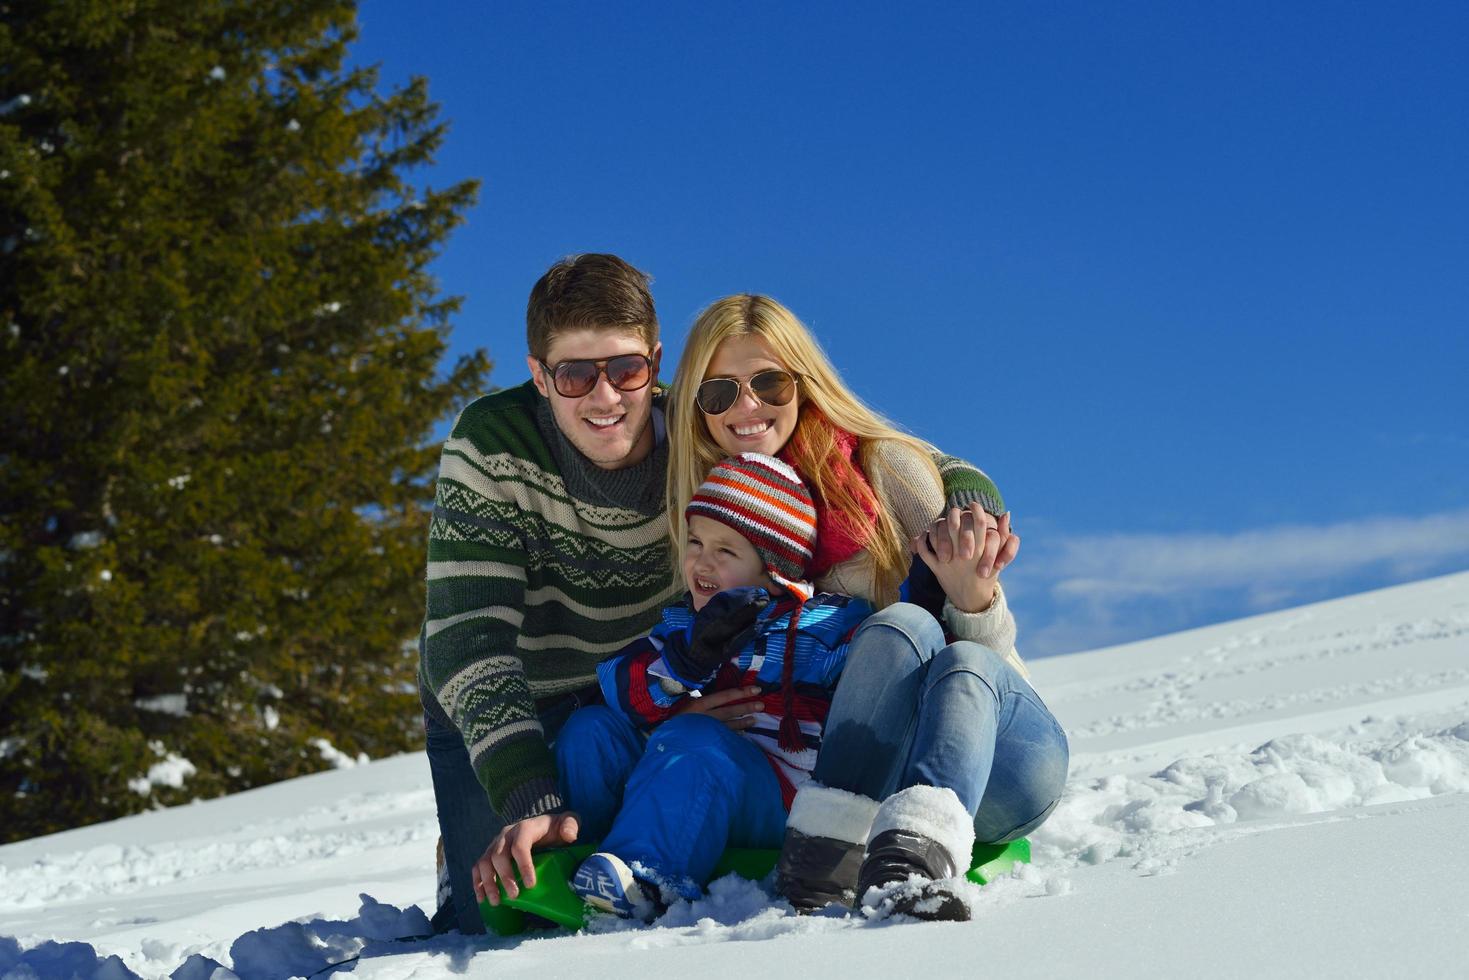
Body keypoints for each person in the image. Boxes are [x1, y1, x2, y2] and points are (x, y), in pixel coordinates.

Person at [665, 294, 1069, 920]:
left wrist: (971, 594)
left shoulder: (885, 472)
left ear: (805, 382)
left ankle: (919, 848)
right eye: (720, 392)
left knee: (905, 625)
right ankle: (827, 856)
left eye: (769, 382)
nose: (747, 407)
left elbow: (985, 658)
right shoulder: (714, 518)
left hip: (995, 753)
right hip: (861, 780)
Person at [419, 253, 733, 934]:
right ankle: (460, 847)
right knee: (505, 921)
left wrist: (959, 497)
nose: (604, 397)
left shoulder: (697, 429)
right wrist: (526, 792)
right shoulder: (491, 443)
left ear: (652, 361)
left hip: (630, 691)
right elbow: (469, 641)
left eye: (624, 369)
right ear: (538, 375)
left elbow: (843, 444)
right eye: (574, 375)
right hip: (506, 696)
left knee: (639, 888)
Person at [536, 452, 872, 918]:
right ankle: (591, 857)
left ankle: (647, 878)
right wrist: (686, 660)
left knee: (696, 741)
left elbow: (878, 679)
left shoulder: (821, 626)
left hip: (775, 800)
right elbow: (618, 687)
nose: (702, 561)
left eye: (726, 551)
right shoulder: (682, 626)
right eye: (696, 542)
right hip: (688, 777)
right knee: (590, 730)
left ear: (775, 571)